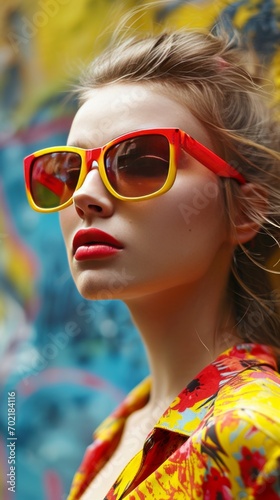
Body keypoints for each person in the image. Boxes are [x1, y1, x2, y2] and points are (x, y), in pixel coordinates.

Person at [23, 23, 280, 500]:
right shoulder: (119, 428)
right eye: (66, 169)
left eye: (141, 160)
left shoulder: (256, 434)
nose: (83, 196)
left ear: (244, 210)